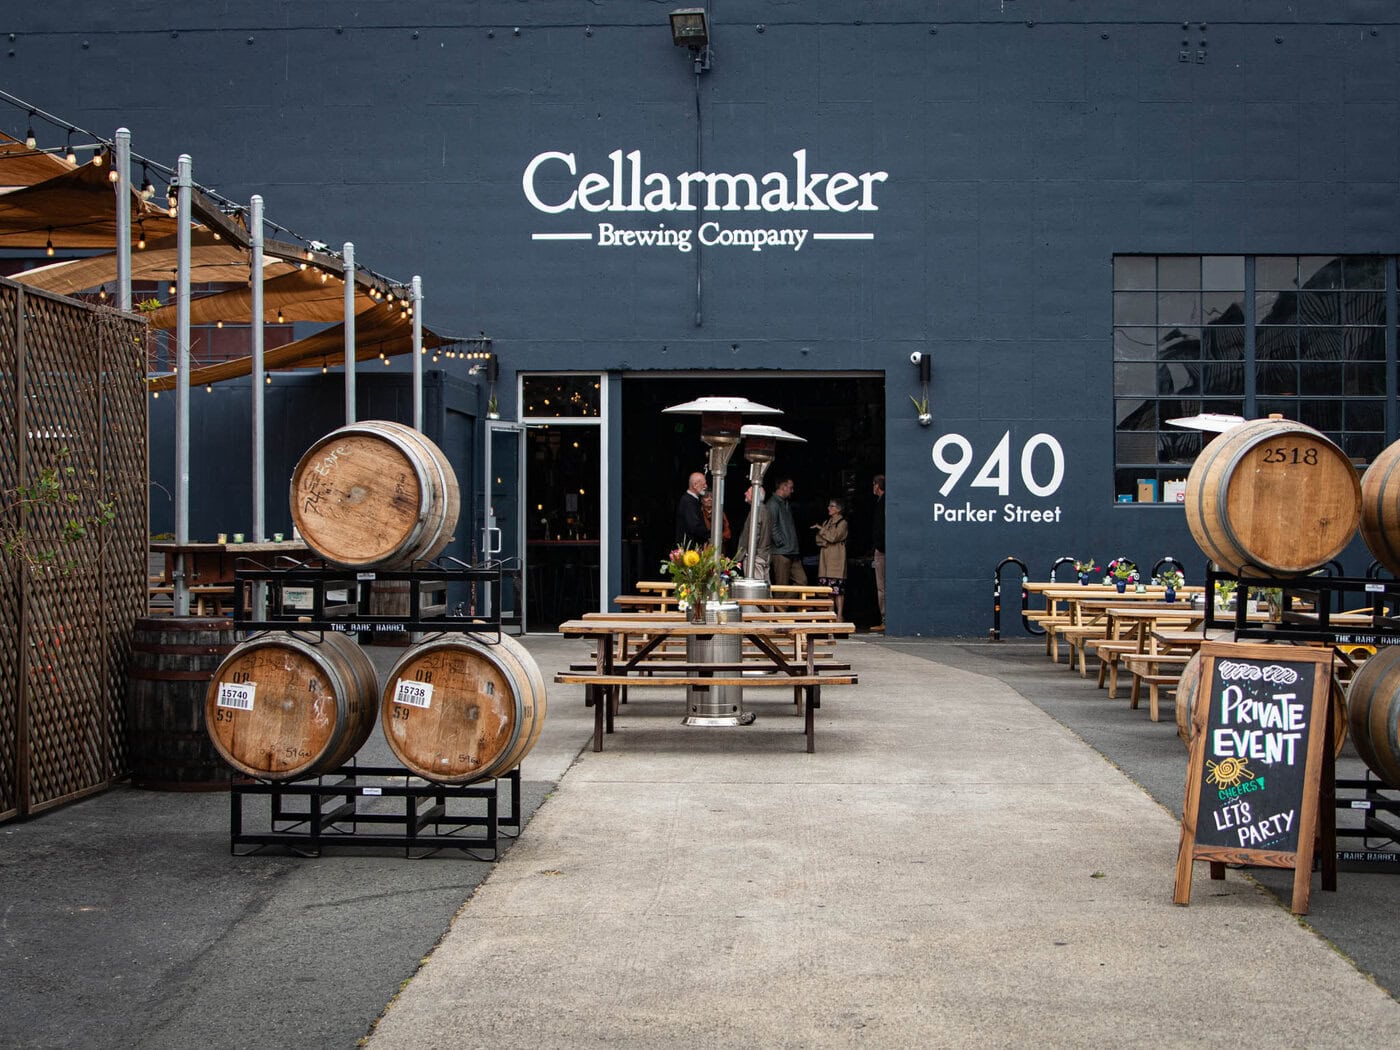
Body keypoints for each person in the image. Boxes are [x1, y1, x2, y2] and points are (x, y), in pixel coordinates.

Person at [812, 496, 849, 618]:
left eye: (831, 506)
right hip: (825, 562)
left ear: (838, 509)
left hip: (837, 562)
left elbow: (834, 537)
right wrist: (826, 539)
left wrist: (822, 530)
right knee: (828, 590)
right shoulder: (826, 522)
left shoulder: (842, 523)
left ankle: (839, 615)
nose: (828, 508)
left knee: (838, 590)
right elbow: (818, 539)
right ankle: (830, 615)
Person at [767, 476, 808, 586]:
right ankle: (781, 599)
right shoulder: (772, 504)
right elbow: (772, 526)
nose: (792, 491)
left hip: (792, 551)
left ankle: (785, 598)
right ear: (783, 487)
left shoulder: (785, 503)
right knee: (782, 585)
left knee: (802, 582)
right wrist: (781, 543)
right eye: (791, 487)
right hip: (781, 552)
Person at [734, 484, 771, 581]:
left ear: (754, 496)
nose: (745, 493)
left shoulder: (757, 510)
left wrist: (745, 554)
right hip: (761, 555)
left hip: (755, 558)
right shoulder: (763, 509)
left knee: (755, 587)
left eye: (748, 492)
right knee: (763, 587)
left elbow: (755, 534)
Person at [674, 471, 709, 549]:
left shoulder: (692, 500)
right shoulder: (688, 501)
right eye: (703, 484)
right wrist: (710, 534)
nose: (706, 486)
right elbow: (694, 527)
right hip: (689, 549)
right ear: (695, 485)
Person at [871, 474, 885, 631]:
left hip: (882, 551)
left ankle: (885, 619)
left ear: (877, 485)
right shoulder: (882, 502)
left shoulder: (883, 502)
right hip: (882, 548)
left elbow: (880, 528)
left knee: (881, 586)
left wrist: (879, 546)